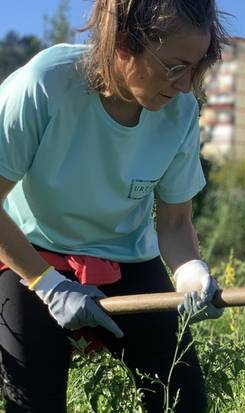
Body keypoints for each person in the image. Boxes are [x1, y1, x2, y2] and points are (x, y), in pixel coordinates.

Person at [0, 0, 228, 411]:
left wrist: (190, 270)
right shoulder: (43, 84)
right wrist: (49, 286)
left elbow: (175, 223)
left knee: (182, 401)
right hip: (28, 256)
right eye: (176, 66)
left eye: (196, 68)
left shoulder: (180, 111)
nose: (185, 84)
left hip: (128, 259)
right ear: (124, 42)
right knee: (32, 403)